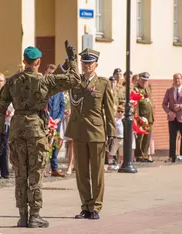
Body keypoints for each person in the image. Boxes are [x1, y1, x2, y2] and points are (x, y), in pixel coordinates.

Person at [0, 42, 81, 228]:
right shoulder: (45, 81)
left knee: (20, 173)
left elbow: (1, 109)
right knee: (35, 173)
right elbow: (74, 79)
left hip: (17, 130)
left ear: (24, 61)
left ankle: (23, 215)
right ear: (38, 62)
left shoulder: (12, 81)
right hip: (36, 130)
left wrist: (1, 133)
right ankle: (35, 215)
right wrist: (72, 60)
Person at [65, 48, 116, 220]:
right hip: (79, 132)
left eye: (90, 63)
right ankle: (85, 206)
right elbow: (58, 79)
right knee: (81, 172)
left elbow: (109, 111)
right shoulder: (75, 81)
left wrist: (112, 133)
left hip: (96, 133)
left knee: (97, 172)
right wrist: (68, 62)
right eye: (84, 63)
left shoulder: (103, 84)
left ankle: (96, 207)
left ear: (96, 65)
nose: (86, 66)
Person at [162, 73, 182, 163]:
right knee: (172, 138)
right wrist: (169, 112)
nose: (177, 80)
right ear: (173, 80)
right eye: (175, 79)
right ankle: (172, 157)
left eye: (178, 79)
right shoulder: (169, 91)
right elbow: (164, 104)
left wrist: (181, 106)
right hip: (172, 118)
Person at [45, 64, 66, 177]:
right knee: (44, 145)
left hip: (56, 122)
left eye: (53, 75)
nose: (51, 76)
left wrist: (58, 119)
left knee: (55, 144)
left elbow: (62, 106)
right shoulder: (43, 88)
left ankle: (54, 168)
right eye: (49, 74)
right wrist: (48, 119)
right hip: (46, 121)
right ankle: (43, 168)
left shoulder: (59, 90)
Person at [134, 72, 154, 163]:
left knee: (147, 137)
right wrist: (137, 117)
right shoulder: (136, 89)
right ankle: (139, 155)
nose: (145, 82)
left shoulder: (148, 89)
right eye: (143, 80)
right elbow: (136, 105)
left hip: (149, 117)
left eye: (146, 80)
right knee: (140, 137)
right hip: (142, 117)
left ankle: (144, 154)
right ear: (140, 80)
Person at [108, 105, 124, 170]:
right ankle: (110, 164)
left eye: (122, 111)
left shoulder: (124, 120)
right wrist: (113, 137)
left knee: (121, 153)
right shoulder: (115, 120)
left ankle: (118, 164)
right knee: (112, 152)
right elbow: (113, 129)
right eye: (118, 111)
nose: (120, 113)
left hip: (122, 139)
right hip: (116, 138)